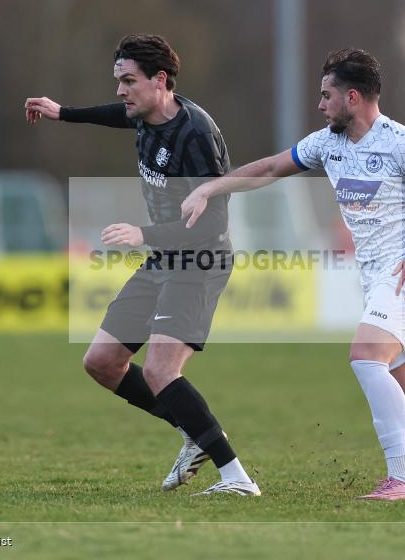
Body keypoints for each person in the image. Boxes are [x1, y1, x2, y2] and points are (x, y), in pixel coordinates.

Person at [181, 48, 405, 501]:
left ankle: (402, 481)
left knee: (365, 355)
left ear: (352, 97)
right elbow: (274, 166)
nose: (320, 105)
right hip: (378, 282)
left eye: (327, 95)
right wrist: (213, 188)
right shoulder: (327, 143)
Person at [25, 34, 260, 496]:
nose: (120, 91)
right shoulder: (145, 115)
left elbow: (213, 223)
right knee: (102, 362)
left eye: (129, 81)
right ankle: (196, 432)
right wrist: (63, 112)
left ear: (160, 80)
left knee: (159, 371)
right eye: (118, 80)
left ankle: (237, 478)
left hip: (199, 261)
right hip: (163, 258)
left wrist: (143, 234)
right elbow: (117, 115)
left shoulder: (195, 135)